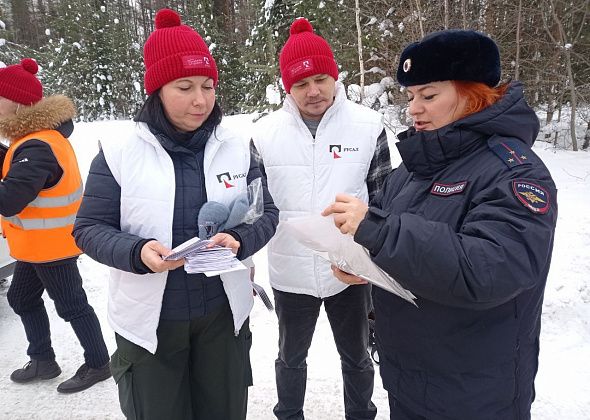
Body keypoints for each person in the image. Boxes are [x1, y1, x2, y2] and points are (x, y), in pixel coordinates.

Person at [323, 29, 558, 420]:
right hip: (408, 378)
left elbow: (490, 270)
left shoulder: (514, 173)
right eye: (411, 97)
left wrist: (380, 233)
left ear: (472, 94)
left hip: (475, 392)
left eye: (429, 96)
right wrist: (362, 263)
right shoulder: (416, 168)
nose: (414, 108)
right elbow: (398, 245)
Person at [72, 9, 278, 420]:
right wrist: (137, 251)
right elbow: (88, 228)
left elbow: (265, 212)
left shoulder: (237, 146)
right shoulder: (118, 153)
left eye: (207, 85)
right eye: (184, 87)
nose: (200, 100)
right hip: (150, 323)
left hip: (222, 315)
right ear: (157, 90)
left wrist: (240, 240)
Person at [251, 17, 391, 420]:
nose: (313, 91)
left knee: (358, 358)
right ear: (286, 88)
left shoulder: (368, 127)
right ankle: (289, 414)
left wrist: (373, 262)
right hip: (290, 273)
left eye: (320, 79)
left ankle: (361, 414)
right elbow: (255, 209)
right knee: (290, 359)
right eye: (300, 84)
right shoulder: (264, 135)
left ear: (335, 76)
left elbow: (385, 202)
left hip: (348, 271)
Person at [0, 58, 111, 393]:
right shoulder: (36, 140)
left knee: (72, 305)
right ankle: (43, 360)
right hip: (35, 247)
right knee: (21, 297)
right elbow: (15, 164)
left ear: (17, 104)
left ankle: (98, 363)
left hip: (53, 248)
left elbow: (10, 199)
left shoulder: (38, 146)